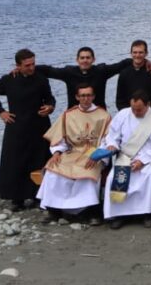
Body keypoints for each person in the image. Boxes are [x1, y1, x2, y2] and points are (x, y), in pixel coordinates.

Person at [0, 48, 56, 210]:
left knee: (39, 160)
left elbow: (50, 98)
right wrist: (1, 112)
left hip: (39, 126)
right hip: (16, 127)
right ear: (18, 65)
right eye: (27, 65)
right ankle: (16, 198)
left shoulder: (41, 79)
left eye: (33, 64)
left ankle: (37, 195)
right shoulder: (9, 80)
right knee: (16, 161)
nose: (31, 68)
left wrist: (50, 107)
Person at [37, 83, 110, 225]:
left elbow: (107, 142)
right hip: (73, 151)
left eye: (89, 95)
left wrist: (98, 156)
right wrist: (57, 152)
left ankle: (90, 212)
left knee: (88, 173)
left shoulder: (104, 115)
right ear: (77, 97)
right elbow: (60, 138)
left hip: (93, 153)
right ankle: (54, 211)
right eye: (82, 95)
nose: (86, 98)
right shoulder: (68, 115)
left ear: (93, 96)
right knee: (53, 170)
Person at [100, 90, 151, 229]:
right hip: (127, 156)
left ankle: (148, 213)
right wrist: (112, 145)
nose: (135, 113)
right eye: (133, 109)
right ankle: (118, 214)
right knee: (113, 178)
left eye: (139, 110)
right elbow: (113, 135)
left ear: (148, 105)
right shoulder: (123, 115)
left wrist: (143, 160)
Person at [37, 46, 132, 110]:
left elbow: (122, 64)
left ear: (93, 59)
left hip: (98, 114)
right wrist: (25, 69)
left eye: (88, 58)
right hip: (75, 115)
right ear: (77, 60)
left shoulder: (101, 71)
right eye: (82, 58)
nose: (85, 60)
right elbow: (48, 70)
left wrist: (145, 62)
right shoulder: (69, 72)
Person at [115, 40, 151, 111]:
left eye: (140, 52)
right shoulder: (124, 73)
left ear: (146, 53)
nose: (137, 55)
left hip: (150, 114)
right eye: (135, 52)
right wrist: (128, 114)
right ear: (131, 53)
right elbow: (120, 100)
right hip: (129, 114)